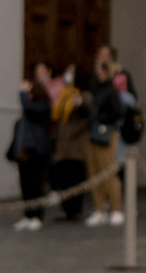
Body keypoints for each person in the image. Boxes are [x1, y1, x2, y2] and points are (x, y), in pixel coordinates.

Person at [84, 45, 136, 227]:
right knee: (95, 173)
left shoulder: (111, 90)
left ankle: (116, 209)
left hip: (108, 134)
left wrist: (101, 117)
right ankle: (100, 209)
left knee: (108, 172)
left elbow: (120, 110)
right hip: (94, 135)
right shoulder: (97, 89)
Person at [9, 65, 54, 230]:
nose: (27, 96)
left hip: (37, 151)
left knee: (36, 185)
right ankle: (28, 215)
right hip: (25, 152)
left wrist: (22, 93)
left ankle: (38, 216)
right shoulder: (29, 112)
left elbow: (27, 107)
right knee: (25, 185)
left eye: (29, 93)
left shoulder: (42, 106)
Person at [47, 68, 90, 222]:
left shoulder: (84, 95)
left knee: (76, 178)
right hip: (62, 146)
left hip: (76, 147)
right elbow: (57, 118)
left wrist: (80, 104)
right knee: (63, 180)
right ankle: (66, 210)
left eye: (72, 71)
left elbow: (88, 114)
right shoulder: (64, 95)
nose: (68, 74)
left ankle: (76, 210)